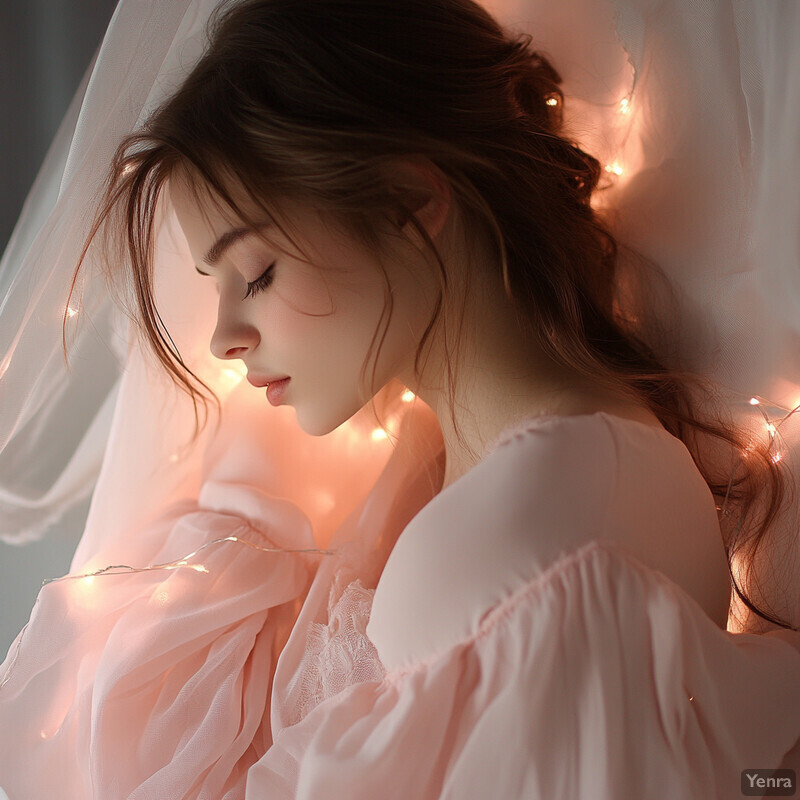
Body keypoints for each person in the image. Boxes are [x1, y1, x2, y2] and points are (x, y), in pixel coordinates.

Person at [0, 0, 799, 798]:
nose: (223, 339)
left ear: (410, 201)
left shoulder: (542, 523)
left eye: (257, 273)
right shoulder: (451, 464)